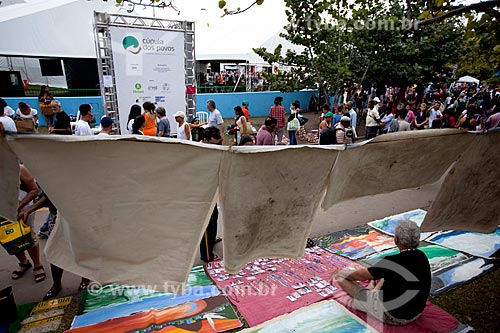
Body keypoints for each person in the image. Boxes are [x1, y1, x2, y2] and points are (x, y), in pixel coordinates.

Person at [330, 220, 431, 326]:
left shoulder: (392, 261)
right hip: (416, 312)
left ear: (396, 239)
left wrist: (339, 272)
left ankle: (370, 292)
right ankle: (373, 290)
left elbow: (360, 276)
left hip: (394, 316)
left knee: (342, 278)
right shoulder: (422, 256)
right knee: (385, 275)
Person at [11, 164, 46, 284]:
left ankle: (37, 265)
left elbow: (34, 190)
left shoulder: (19, 169)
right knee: (12, 239)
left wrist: (19, 208)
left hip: (24, 210)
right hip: (4, 214)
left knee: (28, 236)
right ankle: (24, 263)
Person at [200, 127, 223, 262]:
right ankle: (207, 255)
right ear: (205, 140)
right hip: (203, 195)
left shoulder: (212, 150)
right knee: (207, 224)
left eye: (219, 144)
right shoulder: (201, 152)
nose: (218, 147)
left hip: (211, 192)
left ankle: (212, 240)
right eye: (215, 144)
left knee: (214, 217)